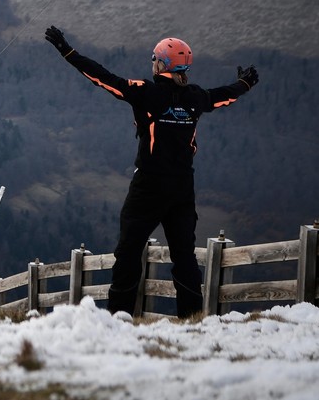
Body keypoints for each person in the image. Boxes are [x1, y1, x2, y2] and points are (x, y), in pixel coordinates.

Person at [44, 26, 259, 319]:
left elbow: (103, 78)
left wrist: (68, 52)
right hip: (183, 189)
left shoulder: (147, 92)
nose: (152, 63)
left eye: (154, 59)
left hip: (148, 187)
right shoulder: (195, 97)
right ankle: (193, 319)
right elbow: (224, 95)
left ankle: (119, 317)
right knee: (184, 256)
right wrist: (245, 83)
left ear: (161, 64)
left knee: (129, 253)